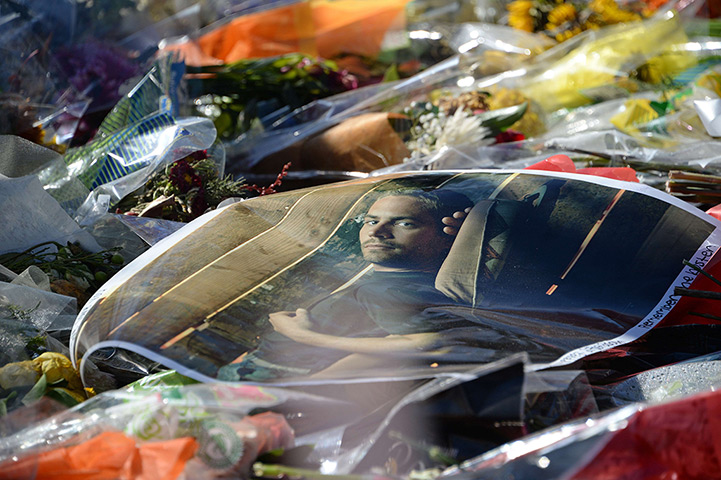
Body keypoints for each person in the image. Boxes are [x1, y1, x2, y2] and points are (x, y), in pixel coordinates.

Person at [218, 188, 474, 381]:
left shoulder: (390, 290)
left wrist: (303, 337)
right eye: (371, 221)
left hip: (269, 383)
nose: (377, 231)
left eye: (405, 223)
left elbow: (431, 344)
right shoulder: (385, 280)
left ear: (446, 239)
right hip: (253, 371)